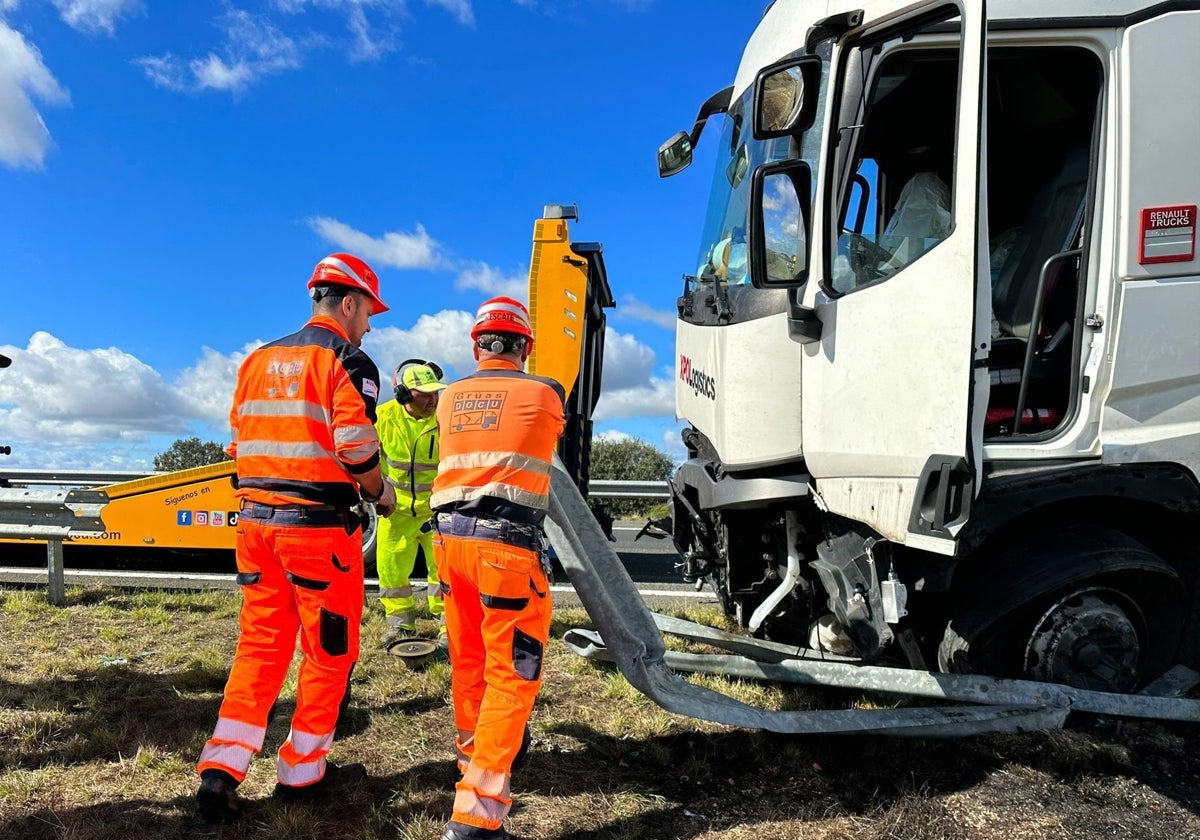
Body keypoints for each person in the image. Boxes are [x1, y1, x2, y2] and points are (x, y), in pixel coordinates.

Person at [193, 253, 398, 827]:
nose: (370, 325)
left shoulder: (257, 360)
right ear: (350, 304)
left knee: (260, 647)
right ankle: (302, 771)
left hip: (257, 529)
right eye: (369, 313)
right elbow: (356, 446)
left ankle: (221, 770)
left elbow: (238, 443)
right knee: (329, 651)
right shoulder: (347, 360)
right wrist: (380, 492)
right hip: (318, 535)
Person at [429, 296, 565, 840]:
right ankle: (476, 816)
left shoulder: (449, 398)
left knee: (469, 662)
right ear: (525, 347)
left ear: (476, 345)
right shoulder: (543, 393)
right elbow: (550, 440)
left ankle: (473, 761)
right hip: (506, 551)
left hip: (449, 545)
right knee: (513, 675)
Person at [376, 360, 448, 649]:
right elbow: (365, 456)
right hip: (396, 513)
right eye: (425, 394)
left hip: (437, 511)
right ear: (405, 395)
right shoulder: (382, 417)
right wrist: (378, 491)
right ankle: (400, 624)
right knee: (392, 570)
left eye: (435, 393)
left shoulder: (445, 419)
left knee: (443, 571)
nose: (433, 400)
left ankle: (448, 625)